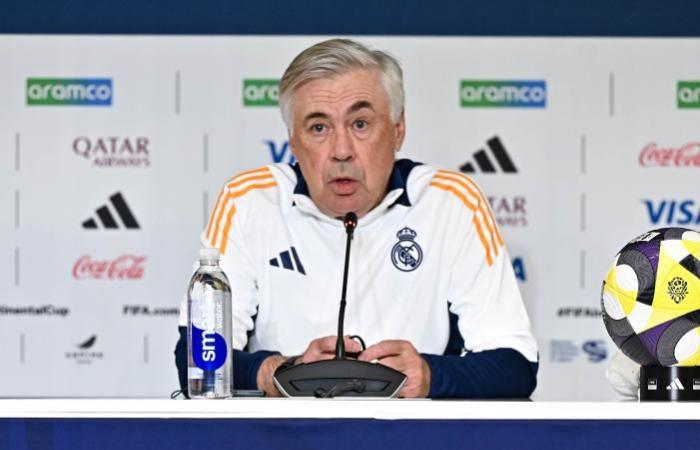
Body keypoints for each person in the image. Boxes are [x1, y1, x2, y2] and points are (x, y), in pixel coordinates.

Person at [175, 39, 538, 398]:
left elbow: (515, 366)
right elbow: (194, 362)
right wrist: (284, 372)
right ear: (293, 141)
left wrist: (427, 374)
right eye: (319, 128)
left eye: (361, 123)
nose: (342, 151)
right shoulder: (248, 201)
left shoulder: (451, 202)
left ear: (398, 130)